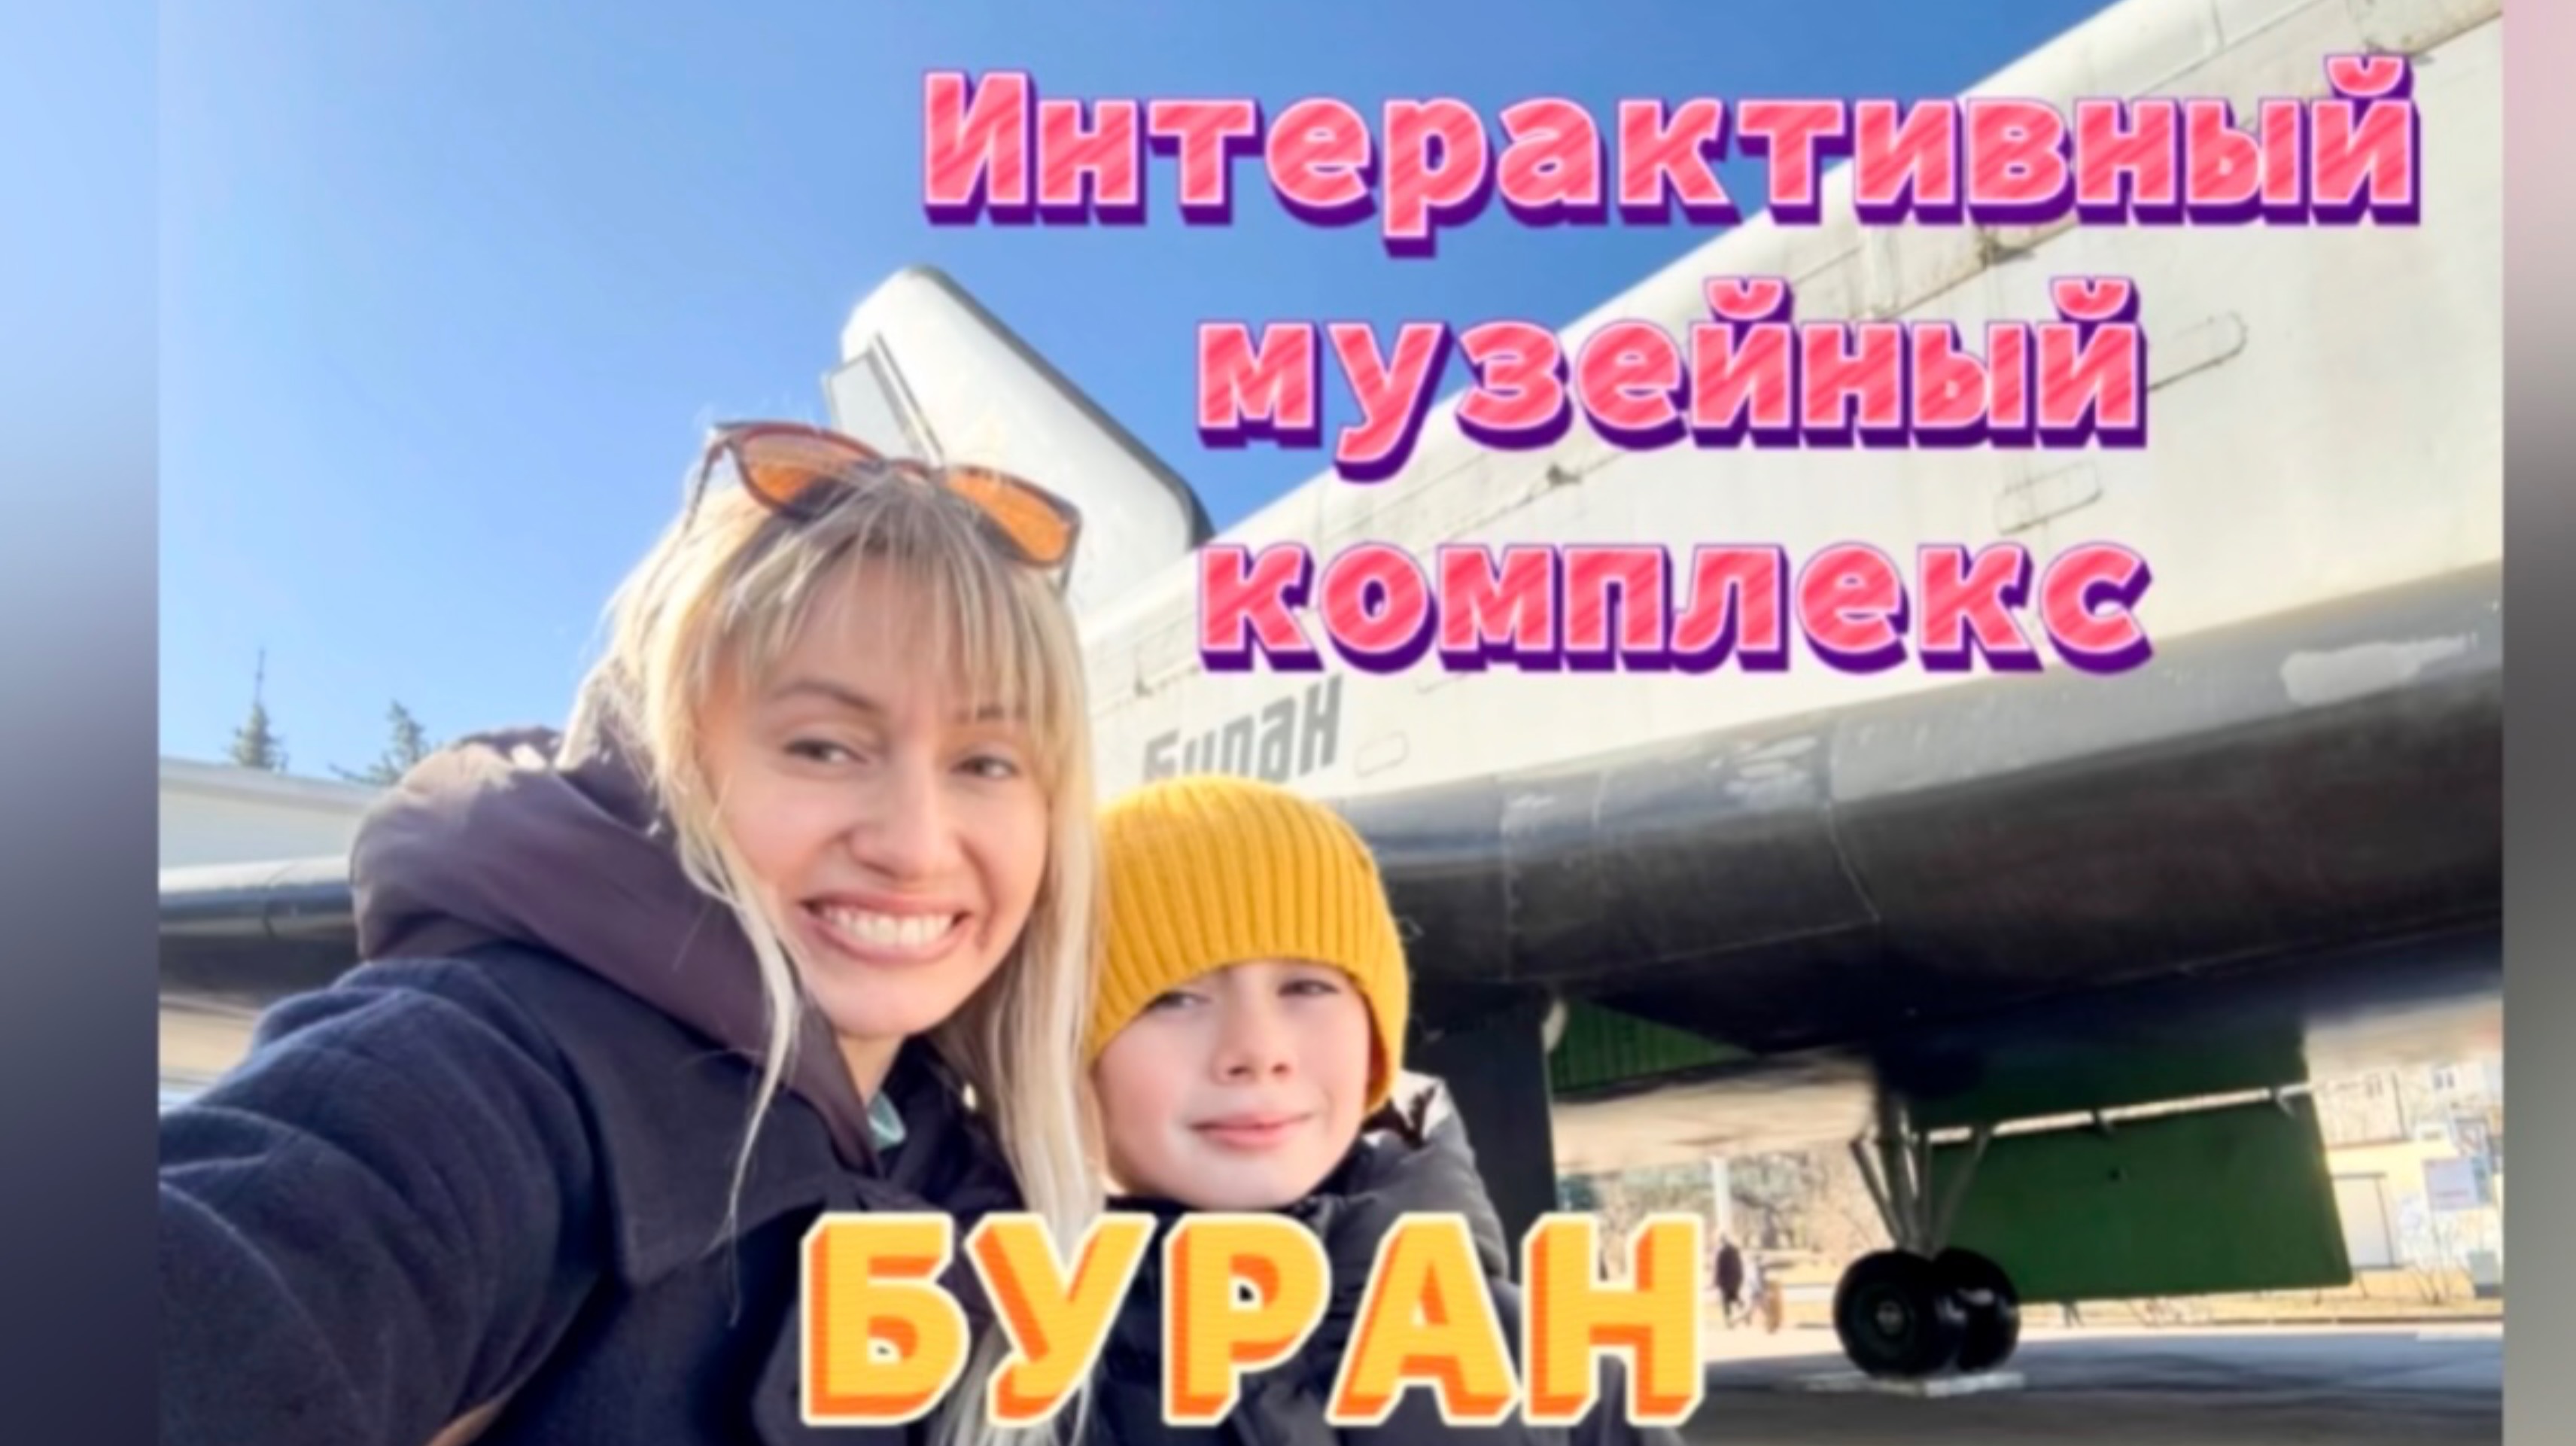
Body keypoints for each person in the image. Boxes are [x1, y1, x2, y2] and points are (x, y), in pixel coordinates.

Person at [159, 421, 1105, 1445]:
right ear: (664, 765)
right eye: (824, 747)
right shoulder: (489, 1077)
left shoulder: (967, 1166)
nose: (915, 846)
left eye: (986, 763)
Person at [1078, 775, 1680, 1446]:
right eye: (1171, 998)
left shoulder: (1562, 1375)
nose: (1259, 1050)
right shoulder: (1004, 1390)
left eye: (1307, 986)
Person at [1713, 1237, 1745, 1328]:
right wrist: (1740, 1279)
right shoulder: (1736, 1251)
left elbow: (1719, 1268)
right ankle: (1743, 1311)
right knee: (1734, 1297)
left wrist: (1716, 1281)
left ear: (1721, 1242)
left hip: (1726, 1281)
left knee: (1726, 1301)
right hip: (1736, 1280)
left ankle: (1729, 1320)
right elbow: (1739, 1266)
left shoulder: (1722, 1253)